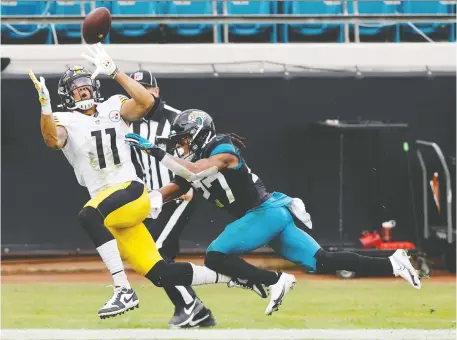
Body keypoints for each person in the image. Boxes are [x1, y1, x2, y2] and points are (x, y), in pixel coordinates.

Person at [29, 44, 273, 321]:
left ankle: (122, 289)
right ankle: (238, 278)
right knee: (161, 273)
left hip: (130, 192)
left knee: (88, 215)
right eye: (77, 88)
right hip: (111, 208)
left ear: (96, 87)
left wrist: (116, 72)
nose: (83, 90)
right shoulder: (64, 119)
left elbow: (146, 103)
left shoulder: (113, 106)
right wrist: (45, 108)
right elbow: (52, 140)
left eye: (86, 85)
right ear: (67, 95)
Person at [126, 109, 422, 312]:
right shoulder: (192, 162)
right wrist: (145, 201)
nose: (180, 147)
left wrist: (153, 150)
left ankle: (274, 281)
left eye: (184, 140)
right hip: (268, 216)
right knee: (323, 261)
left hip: (264, 213)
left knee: (215, 256)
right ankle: (394, 263)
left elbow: (191, 171)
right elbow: (175, 187)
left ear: (200, 134)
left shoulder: (221, 149)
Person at [128, 70, 215, 328]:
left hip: (178, 193)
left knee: (154, 252)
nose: (141, 93)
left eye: (146, 88)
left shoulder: (177, 119)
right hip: (149, 199)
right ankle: (192, 308)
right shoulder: (126, 120)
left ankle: (191, 306)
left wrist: (189, 183)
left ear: (156, 91)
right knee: (154, 256)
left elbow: (199, 150)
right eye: (135, 88)